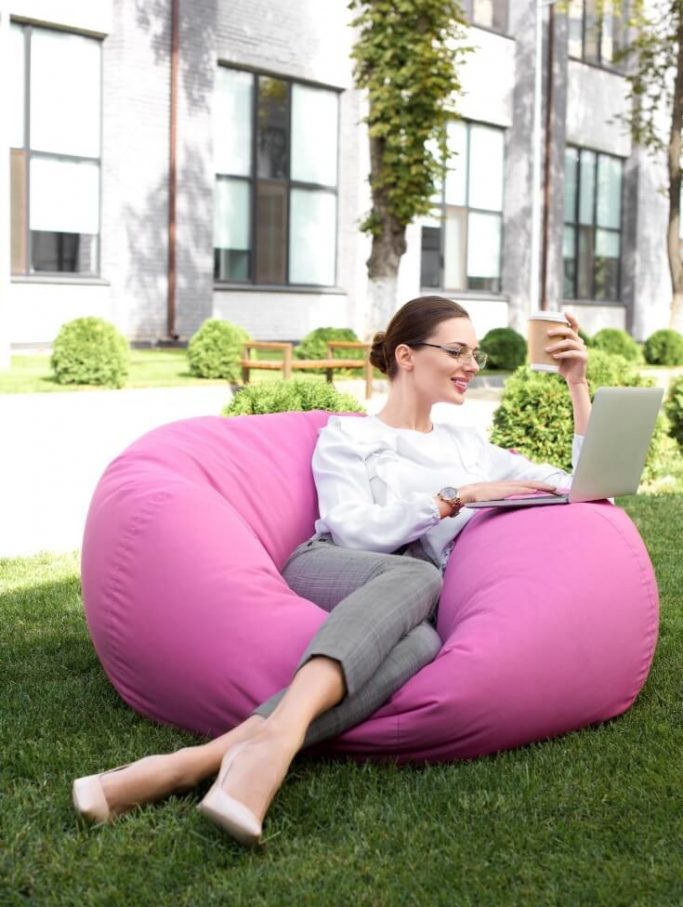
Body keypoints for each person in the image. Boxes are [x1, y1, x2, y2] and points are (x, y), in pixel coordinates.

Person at [73, 296, 590, 846]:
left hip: (407, 599)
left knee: (424, 645)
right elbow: (352, 529)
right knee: (420, 578)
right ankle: (272, 749)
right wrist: (454, 497)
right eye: (457, 351)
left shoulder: (470, 446)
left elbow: (578, 484)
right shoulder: (351, 436)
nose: (471, 365)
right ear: (406, 356)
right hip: (331, 565)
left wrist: (577, 385)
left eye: (476, 354)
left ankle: (192, 763)